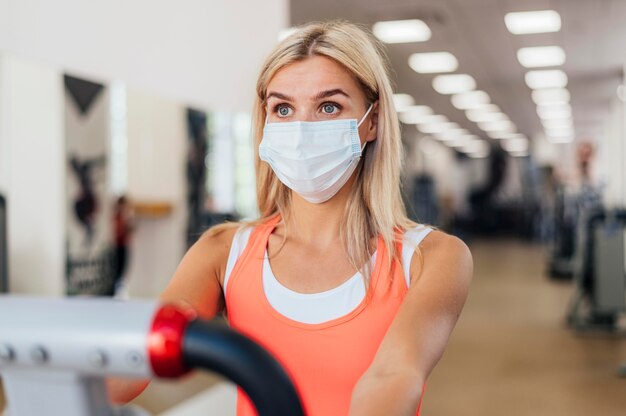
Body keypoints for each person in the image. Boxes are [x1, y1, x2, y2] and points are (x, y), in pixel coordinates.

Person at [108, 20, 472, 415]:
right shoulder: (223, 252)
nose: (301, 130)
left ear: (371, 121)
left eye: (328, 106)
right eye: (283, 108)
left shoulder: (431, 258)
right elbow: (126, 375)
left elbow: (393, 376)